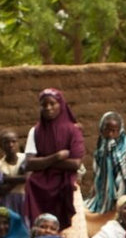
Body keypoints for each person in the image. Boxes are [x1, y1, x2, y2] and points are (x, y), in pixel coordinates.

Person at [23, 89, 86, 228]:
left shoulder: (73, 131)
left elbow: (75, 164)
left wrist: (42, 162)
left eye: (52, 103)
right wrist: (55, 157)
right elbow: (28, 164)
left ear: (61, 105)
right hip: (40, 192)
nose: (48, 108)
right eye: (44, 105)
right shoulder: (36, 131)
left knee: (71, 234)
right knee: (43, 230)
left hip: (66, 189)